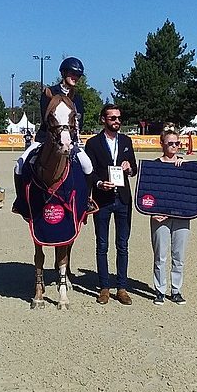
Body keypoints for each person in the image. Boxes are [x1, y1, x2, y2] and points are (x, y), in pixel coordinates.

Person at [14, 57, 93, 202]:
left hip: (70, 140)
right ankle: (20, 201)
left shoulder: (78, 98)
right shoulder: (49, 92)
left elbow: (79, 122)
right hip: (45, 139)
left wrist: (73, 138)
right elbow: (46, 117)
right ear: (64, 73)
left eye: (78, 75)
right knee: (20, 164)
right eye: (72, 74)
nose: (75, 77)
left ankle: (86, 200)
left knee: (87, 165)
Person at [85, 105, 137, 305]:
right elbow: (89, 172)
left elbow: (133, 168)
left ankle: (122, 287)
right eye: (112, 118)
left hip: (123, 199)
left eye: (118, 118)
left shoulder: (126, 141)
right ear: (103, 120)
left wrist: (129, 167)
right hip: (102, 200)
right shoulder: (93, 143)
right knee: (102, 245)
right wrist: (99, 183)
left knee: (122, 245)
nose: (116, 121)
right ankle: (104, 287)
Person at [150, 125, 190, 305]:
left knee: (179, 256)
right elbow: (148, 194)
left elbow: (192, 191)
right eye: (170, 143)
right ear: (162, 144)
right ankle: (160, 290)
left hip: (181, 216)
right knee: (160, 255)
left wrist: (185, 169)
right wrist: (152, 212)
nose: (174, 146)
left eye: (177, 143)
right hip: (160, 216)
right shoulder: (155, 166)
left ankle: (176, 290)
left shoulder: (184, 165)